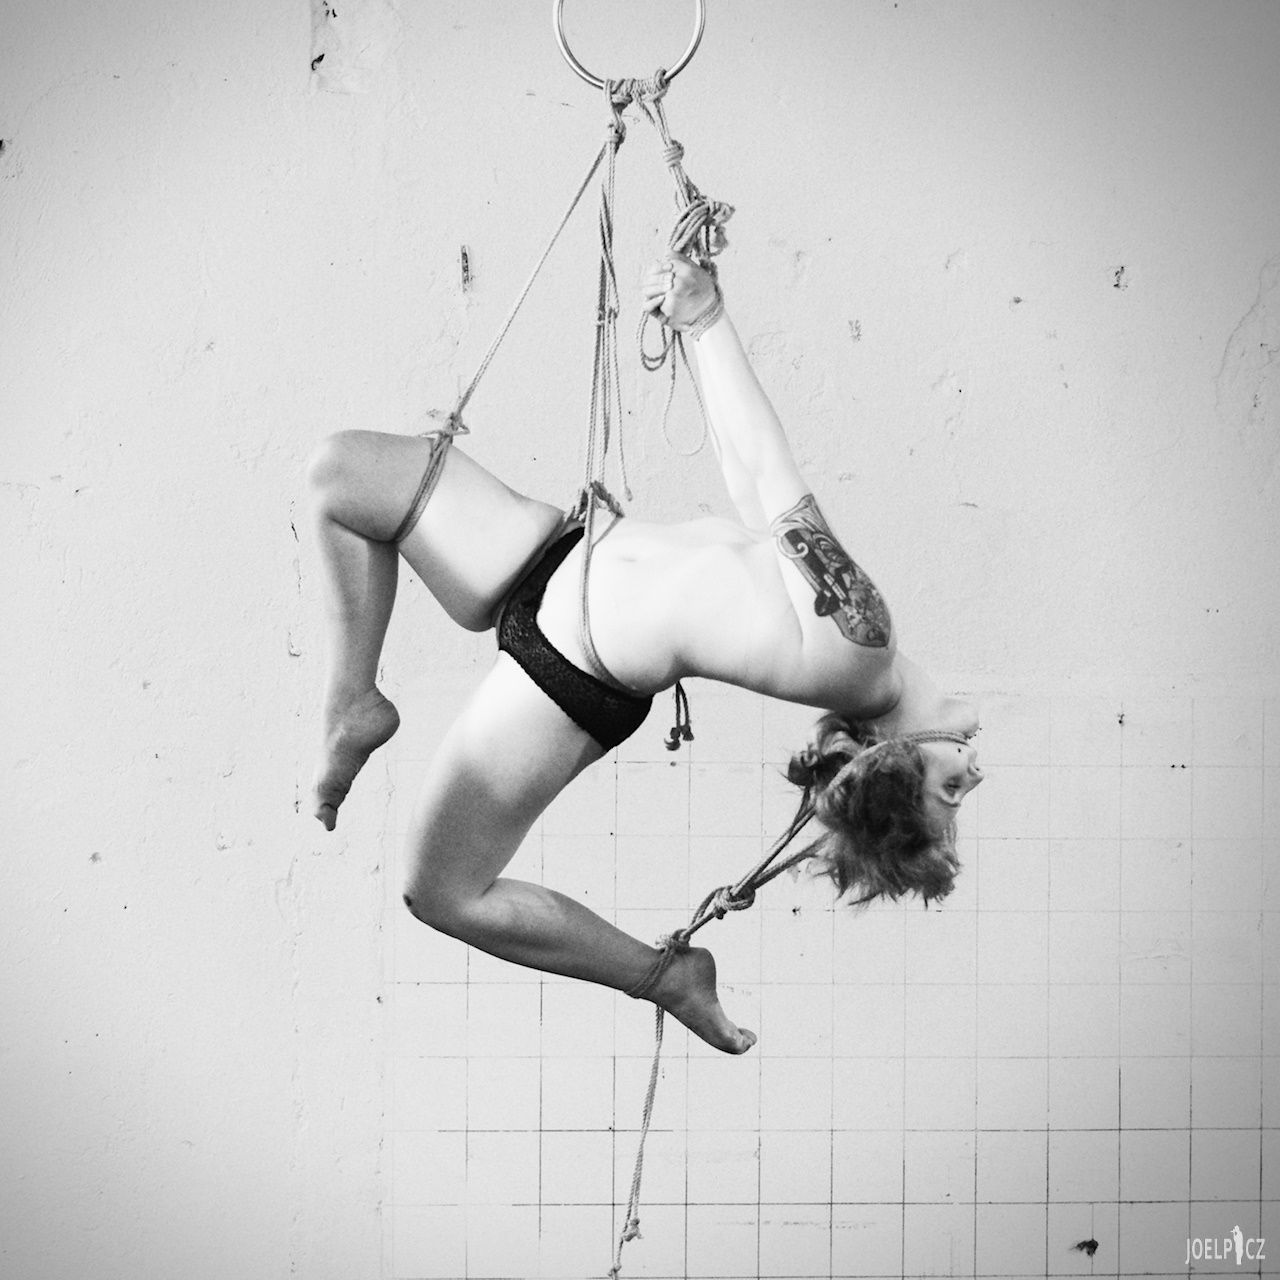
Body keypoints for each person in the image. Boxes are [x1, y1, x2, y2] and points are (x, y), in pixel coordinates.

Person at [304, 254, 984, 1054]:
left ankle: (663, 976)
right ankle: (352, 703)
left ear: (888, 762)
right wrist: (702, 321)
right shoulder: (861, 648)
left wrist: (707, 320)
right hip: (552, 554)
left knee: (441, 893)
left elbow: (773, 476)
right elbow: (757, 480)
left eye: (950, 792)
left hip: (568, 672)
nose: (974, 778)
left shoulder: (858, 657)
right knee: (339, 477)